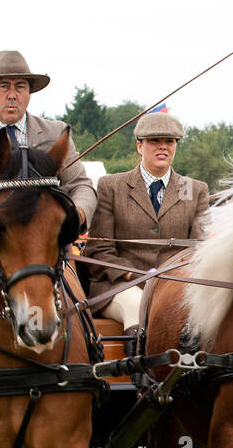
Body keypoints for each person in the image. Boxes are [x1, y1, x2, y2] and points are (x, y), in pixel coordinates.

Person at [0, 50, 95, 229]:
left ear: (29, 94)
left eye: (20, 87)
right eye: (4, 86)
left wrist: (76, 215)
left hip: (47, 247)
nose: (12, 95)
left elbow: (82, 186)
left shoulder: (56, 132)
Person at [87, 112, 209, 328]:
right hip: (120, 286)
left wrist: (170, 279)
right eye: (154, 141)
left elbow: (199, 249)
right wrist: (134, 274)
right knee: (139, 306)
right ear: (139, 146)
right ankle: (138, 361)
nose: (163, 147)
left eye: (169, 141)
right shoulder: (111, 186)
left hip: (175, 285)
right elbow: (99, 249)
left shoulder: (194, 189)